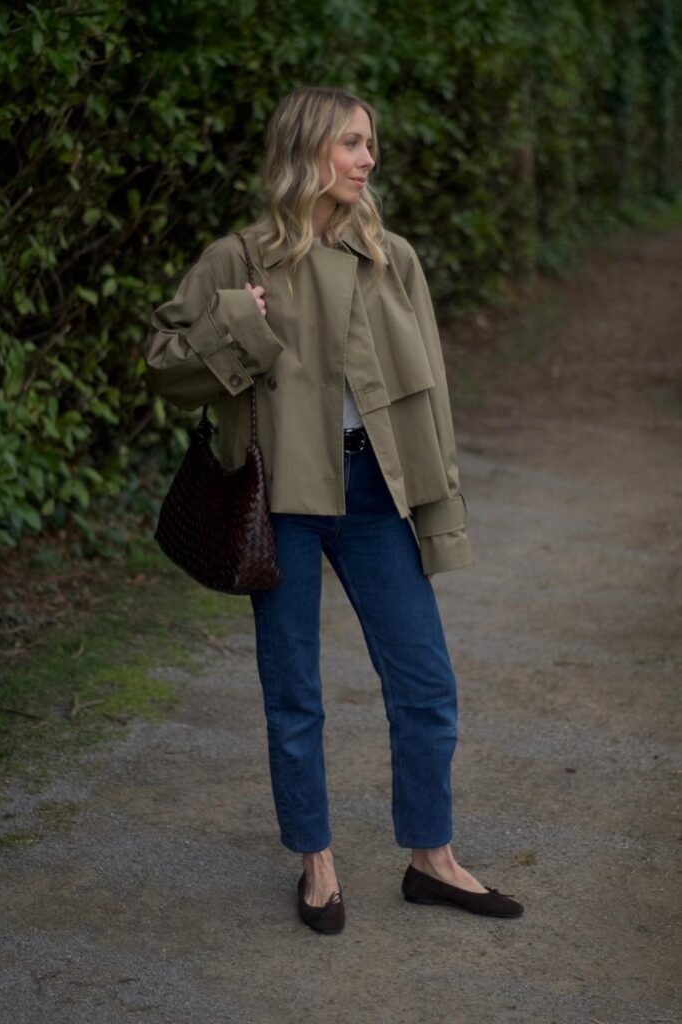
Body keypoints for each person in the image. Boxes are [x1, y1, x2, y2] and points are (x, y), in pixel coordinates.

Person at [144, 85, 524, 934]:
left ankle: (432, 860)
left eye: (369, 143)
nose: (367, 159)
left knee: (425, 684)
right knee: (294, 693)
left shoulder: (393, 258)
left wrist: (439, 507)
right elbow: (163, 367)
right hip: (280, 499)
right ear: (305, 149)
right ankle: (316, 863)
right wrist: (236, 322)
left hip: (375, 494)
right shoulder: (235, 260)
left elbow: (429, 397)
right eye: (351, 142)